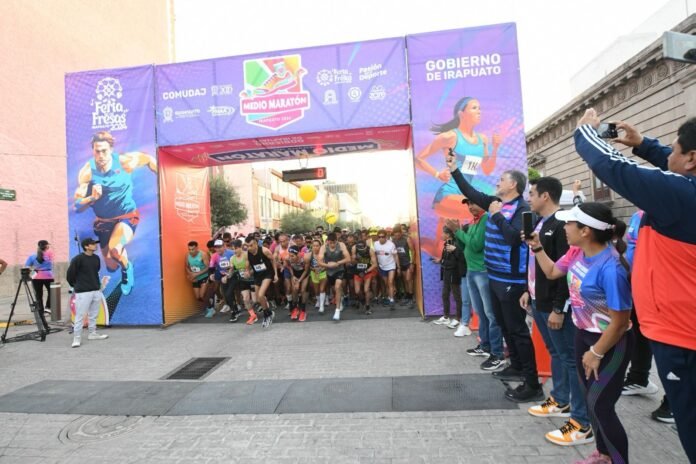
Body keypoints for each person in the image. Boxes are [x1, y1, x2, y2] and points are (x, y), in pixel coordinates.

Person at [574, 110, 696, 461]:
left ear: (691, 158)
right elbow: (673, 170)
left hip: (682, 340)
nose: (668, 156)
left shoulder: (683, 198)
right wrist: (644, 145)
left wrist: (585, 132)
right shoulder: (684, 194)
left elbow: (614, 167)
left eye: (674, 149)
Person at [528, 202, 632, 464]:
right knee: (591, 401)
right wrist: (537, 247)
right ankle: (603, 455)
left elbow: (620, 323)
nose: (565, 227)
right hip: (582, 334)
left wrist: (596, 352)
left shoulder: (611, 268)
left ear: (585, 231)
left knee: (601, 405)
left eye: (570, 223)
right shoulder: (576, 252)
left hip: (609, 343)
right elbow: (552, 271)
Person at [446, 155, 541, 402]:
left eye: (501, 180)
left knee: (518, 330)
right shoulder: (494, 202)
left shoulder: (523, 209)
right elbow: (469, 191)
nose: (497, 182)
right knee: (503, 323)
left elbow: (514, 239)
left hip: (512, 280)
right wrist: (454, 169)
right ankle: (516, 366)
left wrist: (497, 216)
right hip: (493, 275)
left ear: (513, 185)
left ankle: (532, 383)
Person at [520, 177, 592, 447]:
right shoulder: (540, 224)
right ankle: (560, 399)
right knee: (556, 353)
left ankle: (580, 419)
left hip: (555, 305)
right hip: (538, 299)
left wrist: (559, 308)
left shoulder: (562, 225)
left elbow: (564, 272)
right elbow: (537, 263)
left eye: (532, 193)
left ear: (546, 196)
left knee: (571, 360)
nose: (529, 198)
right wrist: (528, 289)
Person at [73, 131, 157, 296]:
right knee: (111, 266)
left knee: (115, 249)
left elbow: (148, 159)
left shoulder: (124, 162)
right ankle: (119, 262)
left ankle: (127, 269)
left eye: (104, 151)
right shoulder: (87, 172)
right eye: (97, 151)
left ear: (111, 149)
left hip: (126, 216)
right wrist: (91, 198)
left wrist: (161, 175)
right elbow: (77, 205)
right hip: (104, 221)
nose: (101, 155)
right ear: (93, 151)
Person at [416, 97, 500, 240]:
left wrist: (495, 147)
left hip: (468, 194)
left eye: (479, 108)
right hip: (449, 194)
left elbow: (487, 169)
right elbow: (419, 159)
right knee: (484, 208)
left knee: (444, 245)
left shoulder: (483, 139)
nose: (479, 111)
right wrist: (437, 174)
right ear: (462, 114)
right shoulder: (450, 136)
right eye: (474, 108)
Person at [448, 202, 505, 366]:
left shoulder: (486, 218)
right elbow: (464, 246)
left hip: (482, 271)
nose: (471, 207)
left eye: (473, 203)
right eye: (468, 205)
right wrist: (458, 232)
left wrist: (457, 231)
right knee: (480, 312)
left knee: (490, 313)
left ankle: (497, 352)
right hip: (472, 270)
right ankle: (485, 345)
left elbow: (475, 245)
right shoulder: (474, 221)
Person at [66, 238, 109, 348]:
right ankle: (76, 338)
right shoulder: (78, 259)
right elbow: (70, 275)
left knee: (94, 314)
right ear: (86, 246)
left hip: (96, 290)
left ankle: (92, 333)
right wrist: (77, 285)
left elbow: (95, 272)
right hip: (83, 292)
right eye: (93, 244)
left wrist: (97, 287)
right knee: (80, 316)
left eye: (95, 244)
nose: (95, 245)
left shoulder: (96, 258)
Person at [432, 227, 466, 328]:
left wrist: (442, 261)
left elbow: (455, 262)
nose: (441, 235)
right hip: (446, 273)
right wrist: (440, 260)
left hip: (453, 274)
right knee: (445, 295)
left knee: (456, 296)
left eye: (443, 233)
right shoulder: (446, 244)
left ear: (448, 234)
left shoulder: (454, 245)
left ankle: (458, 318)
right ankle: (446, 317)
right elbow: (447, 259)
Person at [245, 235, 277, 328]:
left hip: (268, 274)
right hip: (257, 275)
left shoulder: (264, 251)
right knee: (258, 299)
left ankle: (267, 315)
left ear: (256, 244)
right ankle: (269, 312)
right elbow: (247, 265)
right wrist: (247, 272)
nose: (249, 248)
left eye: (251, 245)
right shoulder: (248, 253)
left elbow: (273, 260)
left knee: (260, 294)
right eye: (247, 246)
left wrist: (276, 274)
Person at [318, 233, 350, 321]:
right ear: (327, 241)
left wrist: (337, 263)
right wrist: (328, 265)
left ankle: (337, 310)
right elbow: (319, 262)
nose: (332, 245)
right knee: (334, 289)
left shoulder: (341, 245)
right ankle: (340, 300)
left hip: (339, 269)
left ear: (337, 241)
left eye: (334, 242)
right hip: (329, 271)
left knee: (337, 286)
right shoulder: (324, 247)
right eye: (330, 243)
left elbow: (348, 259)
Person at [209, 240, 239, 321]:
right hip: (223, 277)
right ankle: (235, 309)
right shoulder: (214, 256)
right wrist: (211, 275)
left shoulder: (231, 253)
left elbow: (236, 265)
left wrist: (228, 274)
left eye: (220, 247)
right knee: (226, 295)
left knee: (229, 293)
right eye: (216, 247)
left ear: (224, 246)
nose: (218, 249)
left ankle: (234, 312)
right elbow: (211, 267)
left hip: (233, 275)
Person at [229, 240, 256, 325]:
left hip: (253, 279)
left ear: (240, 247)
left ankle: (265, 304)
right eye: (233, 249)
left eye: (236, 248)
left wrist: (249, 272)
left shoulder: (247, 255)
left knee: (255, 300)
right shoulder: (232, 258)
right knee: (245, 299)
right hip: (242, 281)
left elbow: (255, 267)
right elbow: (231, 270)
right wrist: (227, 276)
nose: (234, 251)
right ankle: (253, 315)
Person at [25, 240, 54, 314]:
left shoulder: (32, 256)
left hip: (36, 276)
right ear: (46, 246)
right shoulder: (50, 253)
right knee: (52, 292)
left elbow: (27, 266)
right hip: (48, 276)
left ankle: (40, 310)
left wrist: (32, 270)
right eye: (48, 245)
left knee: (38, 294)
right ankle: (48, 308)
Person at [352, 238, 378, 314]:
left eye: (362, 249)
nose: (361, 251)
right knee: (357, 291)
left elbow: (375, 264)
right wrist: (355, 259)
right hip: (357, 271)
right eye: (359, 249)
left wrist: (366, 271)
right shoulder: (354, 248)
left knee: (366, 290)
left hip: (367, 271)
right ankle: (363, 299)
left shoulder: (370, 250)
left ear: (365, 246)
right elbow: (352, 262)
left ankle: (367, 306)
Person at [185, 241, 211, 315]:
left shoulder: (203, 255)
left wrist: (196, 274)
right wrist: (191, 275)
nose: (191, 251)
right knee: (198, 297)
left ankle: (210, 308)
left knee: (202, 295)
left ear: (197, 248)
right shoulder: (187, 255)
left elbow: (208, 267)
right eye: (189, 249)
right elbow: (186, 266)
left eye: (192, 249)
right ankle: (206, 307)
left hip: (204, 276)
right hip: (195, 279)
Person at [392, 225, 415, 307]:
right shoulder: (393, 240)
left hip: (408, 263)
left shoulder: (407, 239)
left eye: (398, 235)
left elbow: (412, 251)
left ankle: (411, 298)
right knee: (405, 280)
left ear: (401, 233)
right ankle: (408, 296)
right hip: (400, 264)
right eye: (395, 235)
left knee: (409, 279)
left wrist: (412, 263)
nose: (397, 236)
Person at [285, 245, 309, 322]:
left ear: (298, 254)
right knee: (294, 290)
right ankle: (295, 308)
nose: (291, 258)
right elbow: (289, 267)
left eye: (292, 256)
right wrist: (293, 276)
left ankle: (303, 310)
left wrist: (299, 281)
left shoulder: (305, 258)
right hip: (295, 274)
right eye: (290, 255)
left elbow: (306, 270)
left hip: (304, 274)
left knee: (303, 290)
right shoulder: (287, 258)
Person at [308, 239, 328, 313]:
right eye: (314, 246)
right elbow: (308, 266)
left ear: (320, 246)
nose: (315, 247)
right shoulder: (309, 255)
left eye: (317, 246)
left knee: (322, 289)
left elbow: (328, 264)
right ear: (312, 246)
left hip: (323, 273)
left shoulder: (324, 254)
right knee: (316, 291)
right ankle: (319, 301)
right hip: (314, 274)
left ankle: (322, 306)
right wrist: (313, 269)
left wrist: (321, 268)